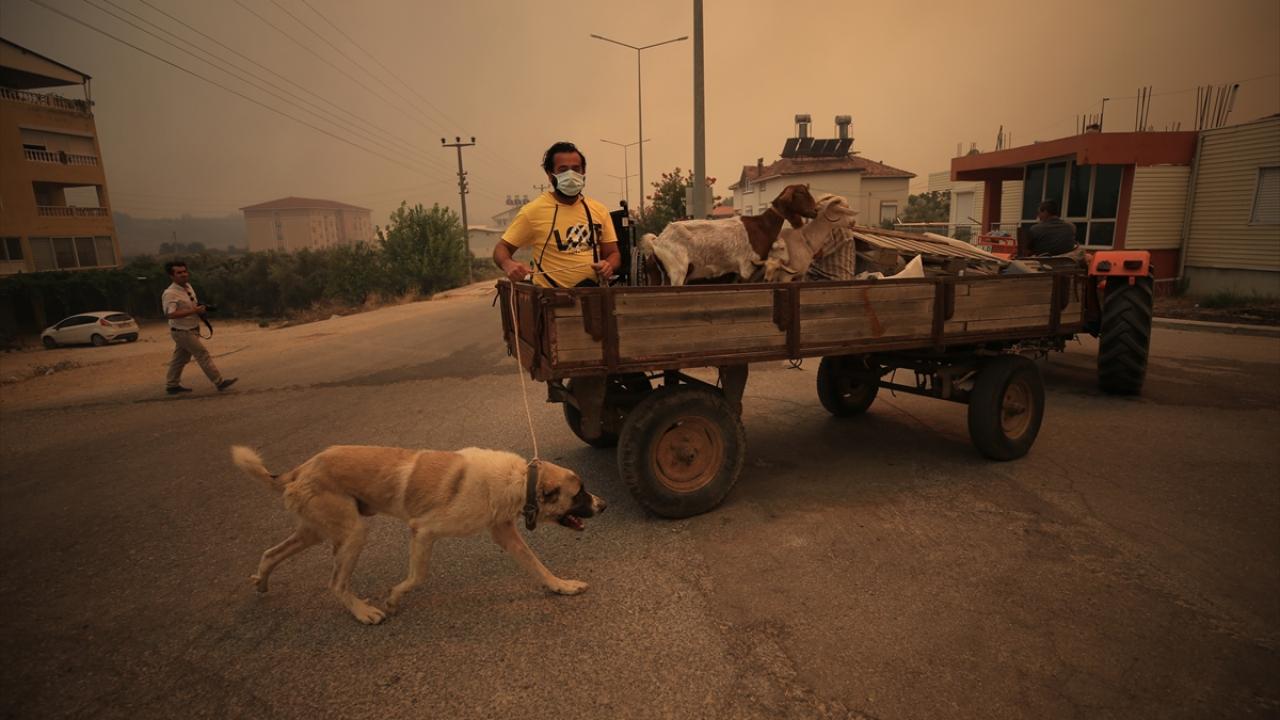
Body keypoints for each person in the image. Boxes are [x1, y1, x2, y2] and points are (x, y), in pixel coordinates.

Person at [493, 141, 621, 287]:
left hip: (592, 297)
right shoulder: (532, 212)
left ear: (583, 173)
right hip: (552, 300)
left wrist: (608, 265)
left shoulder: (599, 210)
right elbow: (502, 248)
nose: (571, 175)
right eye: (563, 170)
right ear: (550, 175)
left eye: (576, 169)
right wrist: (508, 264)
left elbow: (613, 254)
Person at [162, 260, 237, 395]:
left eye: (184, 271)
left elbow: (193, 305)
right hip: (182, 331)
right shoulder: (170, 293)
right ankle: (219, 382)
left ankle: (172, 385)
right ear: (171, 276)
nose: (183, 274)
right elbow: (170, 314)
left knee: (180, 358)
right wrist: (194, 311)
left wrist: (201, 310)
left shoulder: (188, 287)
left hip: (192, 328)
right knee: (202, 354)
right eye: (179, 273)